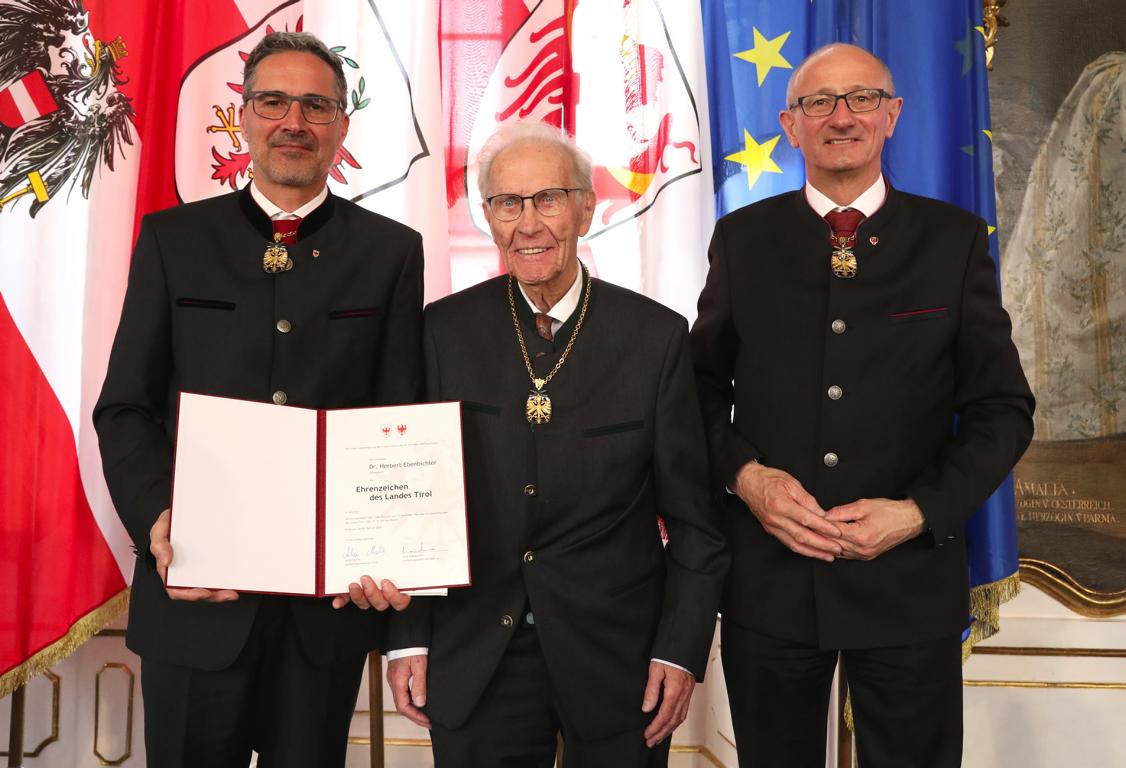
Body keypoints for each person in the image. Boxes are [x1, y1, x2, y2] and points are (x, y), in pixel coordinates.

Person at [690, 43, 1035, 767]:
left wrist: (917, 513)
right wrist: (748, 479)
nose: (841, 117)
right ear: (790, 124)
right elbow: (693, 393)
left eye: (861, 98)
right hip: (772, 581)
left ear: (893, 115)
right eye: (819, 102)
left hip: (908, 584)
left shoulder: (953, 242)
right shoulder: (743, 240)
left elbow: (1002, 408)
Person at [93, 31, 422, 768]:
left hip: (327, 615)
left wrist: (387, 543)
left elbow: (397, 420)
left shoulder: (391, 253)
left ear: (342, 123)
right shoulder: (173, 240)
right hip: (194, 601)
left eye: (315, 105)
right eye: (274, 101)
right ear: (243, 116)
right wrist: (158, 521)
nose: (293, 122)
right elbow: (125, 408)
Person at [378, 122, 728, 767]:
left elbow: (695, 521)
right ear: (487, 217)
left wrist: (678, 648)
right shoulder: (441, 332)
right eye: (507, 203)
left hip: (620, 660)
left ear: (586, 208)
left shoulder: (655, 338)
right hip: (476, 650)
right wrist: (406, 641)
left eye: (549, 199)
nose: (528, 223)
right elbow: (408, 498)